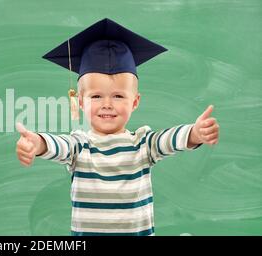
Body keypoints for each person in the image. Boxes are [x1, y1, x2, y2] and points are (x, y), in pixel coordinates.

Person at [15, 18, 220, 236]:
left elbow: (167, 140)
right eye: (96, 96)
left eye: (118, 96)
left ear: (135, 101)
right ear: (81, 102)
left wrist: (194, 133)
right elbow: (59, 146)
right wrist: (37, 143)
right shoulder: (79, 145)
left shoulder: (143, 144)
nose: (107, 104)